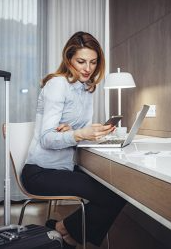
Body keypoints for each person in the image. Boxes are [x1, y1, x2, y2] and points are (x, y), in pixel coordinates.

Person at [21, 31, 126, 248]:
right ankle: (64, 230)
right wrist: (79, 133)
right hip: (40, 172)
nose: (88, 68)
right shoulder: (57, 84)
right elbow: (46, 139)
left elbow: (70, 134)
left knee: (120, 190)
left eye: (93, 62)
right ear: (69, 59)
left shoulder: (87, 89)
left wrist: (77, 131)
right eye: (81, 61)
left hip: (64, 169)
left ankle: (63, 230)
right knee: (114, 196)